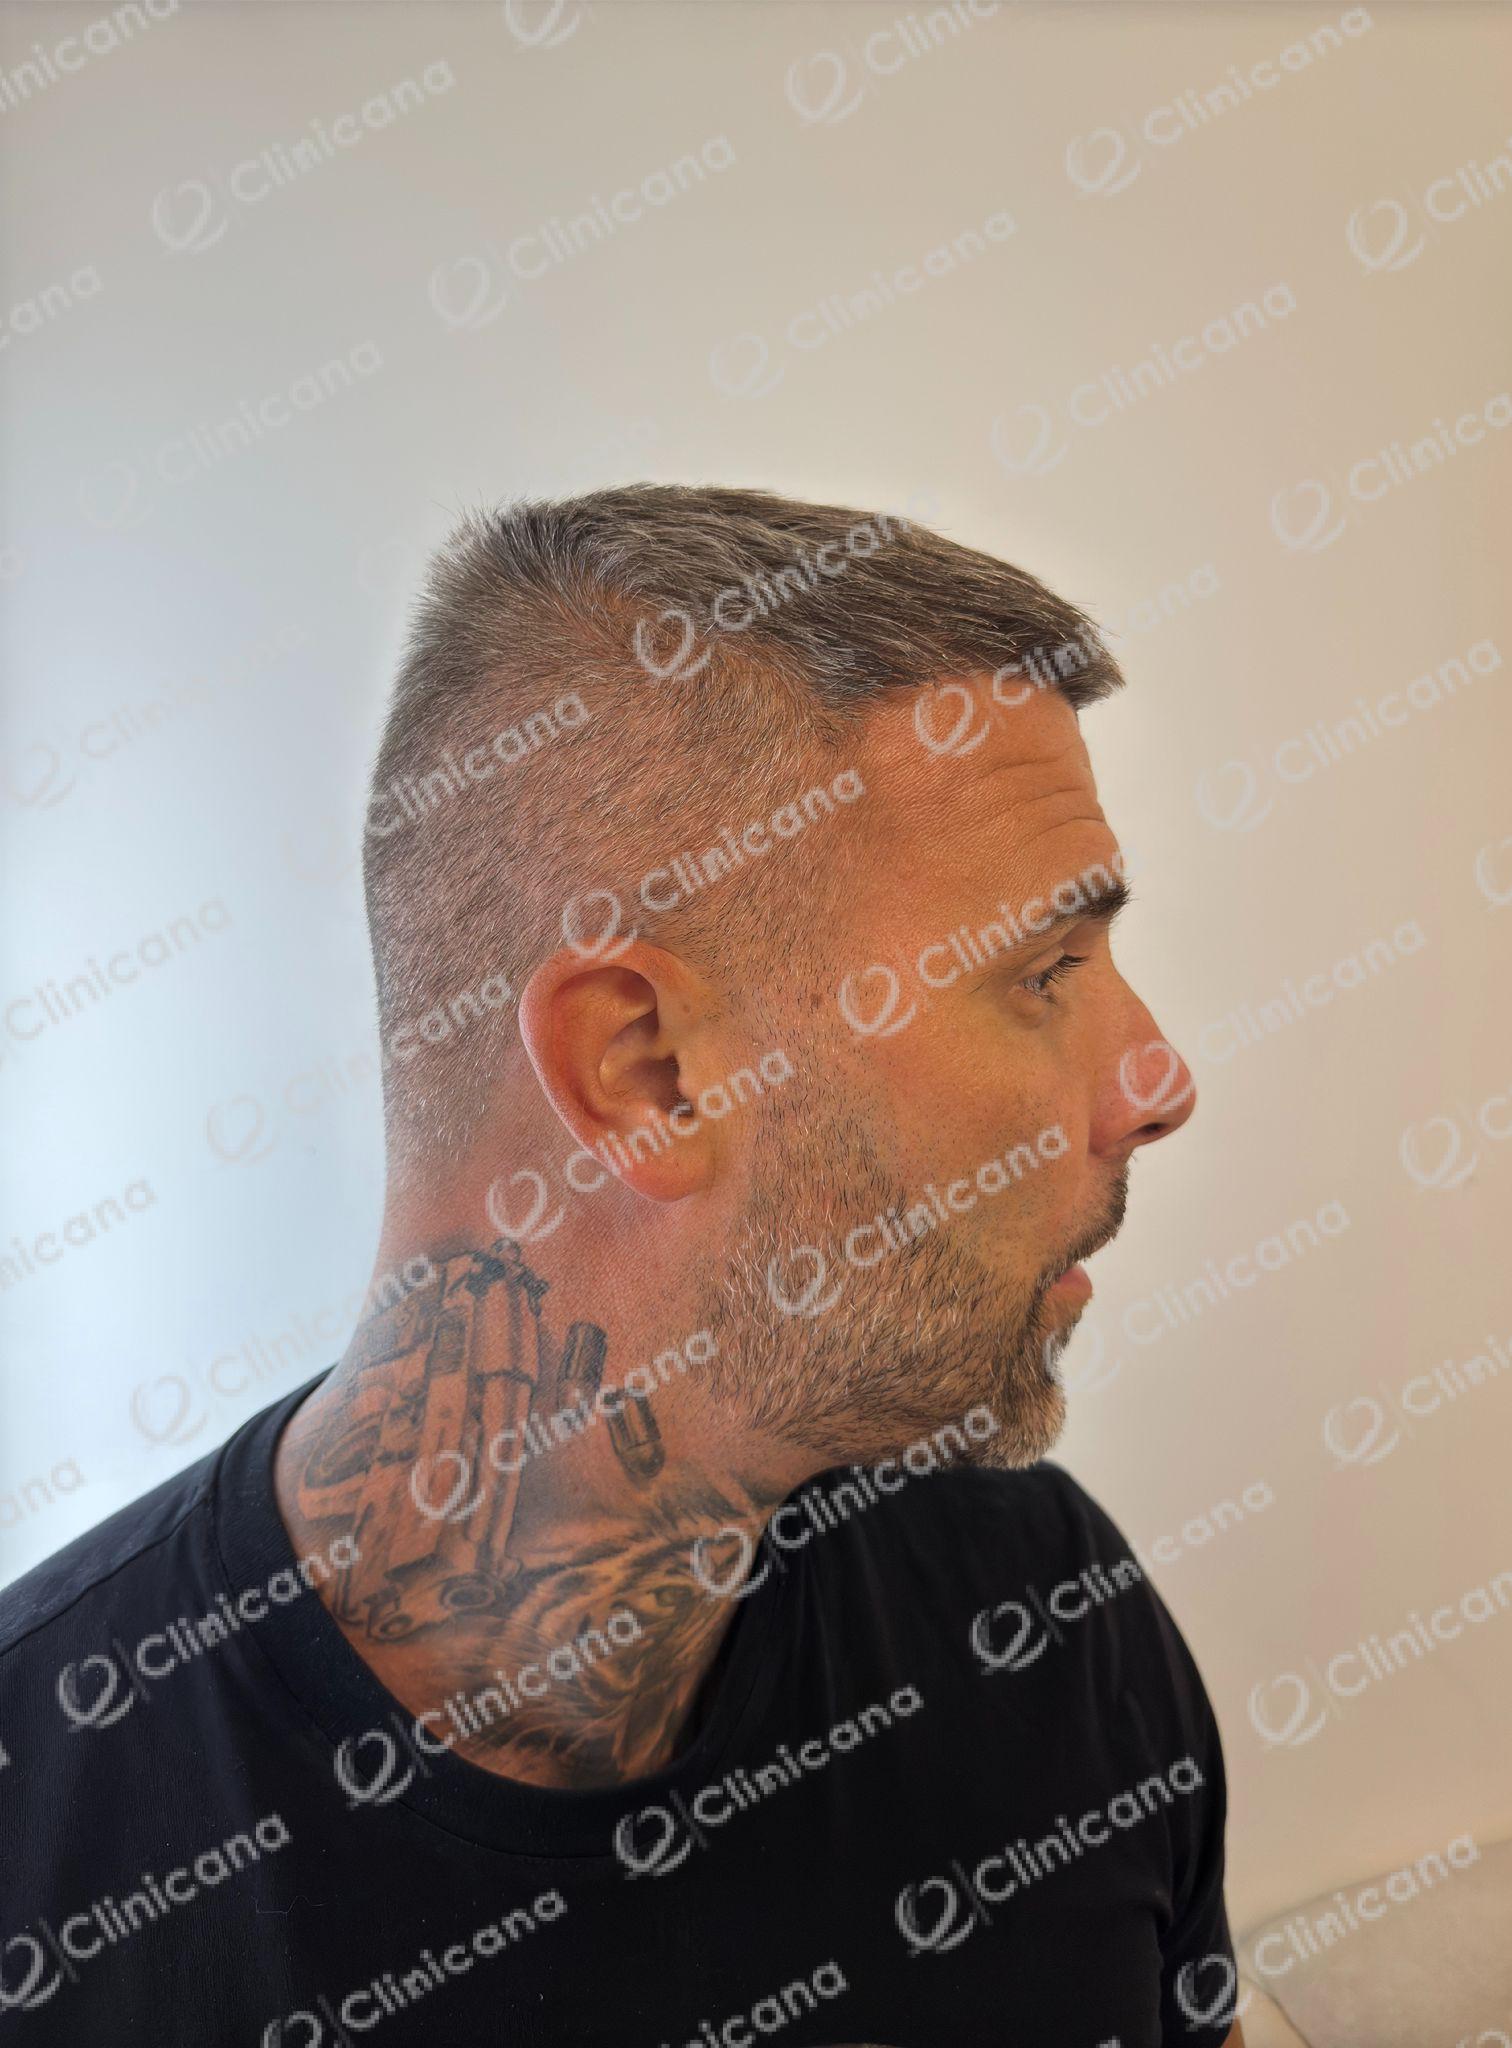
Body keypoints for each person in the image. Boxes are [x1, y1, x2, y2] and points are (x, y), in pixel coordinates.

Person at [0, 485, 1243, 2046]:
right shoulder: (45, 1852)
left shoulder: (1039, 1616)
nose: (1157, 1082)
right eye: (1044, 972)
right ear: (646, 1074)